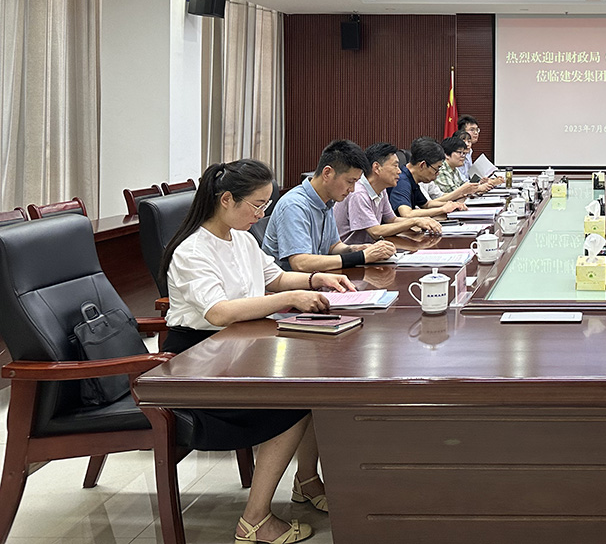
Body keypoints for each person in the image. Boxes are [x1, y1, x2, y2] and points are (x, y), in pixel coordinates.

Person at [161, 159, 359, 544]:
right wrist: (288, 298)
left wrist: (316, 279)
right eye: (257, 205)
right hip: (197, 365)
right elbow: (219, 312)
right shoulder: (192, 250)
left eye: (266, 204)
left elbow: (276, 277)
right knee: (292, 401)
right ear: (226, 199)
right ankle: (254, 521)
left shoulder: (242, 238)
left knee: (314, 384)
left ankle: (306, 481)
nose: (262, 214)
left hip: (237, 352)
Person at [262, 139, 396, 271]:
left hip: (317, 278)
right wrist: (361, 257)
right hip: (291, 282)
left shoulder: (327, 201)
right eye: (350, 181)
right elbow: (301, 263)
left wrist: (356, 249)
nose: (352, 189)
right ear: (327, 173)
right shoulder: (294, 205)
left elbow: (333, 247)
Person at [333, 142, 443, 246]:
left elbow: (391, 220)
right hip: (349, 253)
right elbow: (375, 231)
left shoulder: (381, 189)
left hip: (370, 249)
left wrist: (423, 221)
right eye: (395, 166)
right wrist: (414, 221)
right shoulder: (358, 193)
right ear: (377, 168)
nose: (399, 171)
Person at [388, 136, 468, 218]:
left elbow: (426, 204)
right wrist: (442, 209)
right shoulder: (402, 181)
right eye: (436, 169)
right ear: (423, 165)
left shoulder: (412, 178)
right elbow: (407, 214)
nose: (437, 173)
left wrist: (452, 205)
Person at [430, 135, 483, 201]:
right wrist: (479, 188)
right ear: (446, 154)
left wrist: (478, 185)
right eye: (459, 152)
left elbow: (462, 186)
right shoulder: (441, 170)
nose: (463, 156)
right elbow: (453, 193)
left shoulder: (454, 169)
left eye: (464, 153)